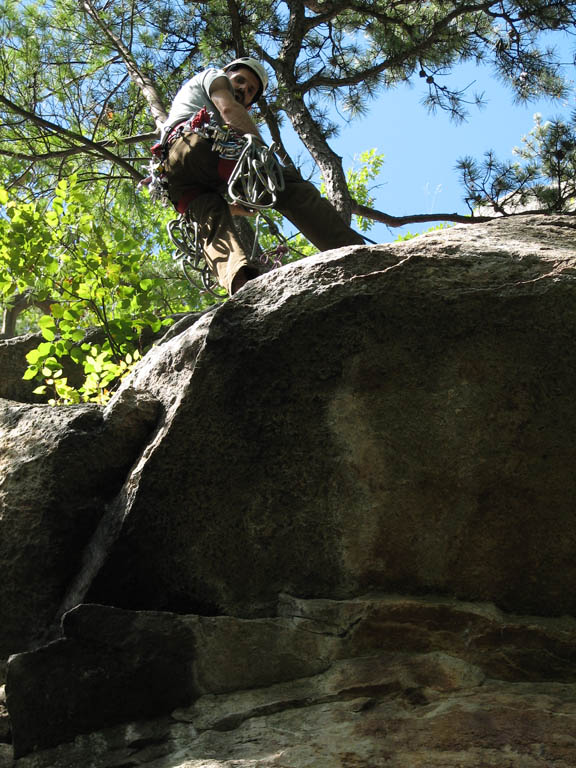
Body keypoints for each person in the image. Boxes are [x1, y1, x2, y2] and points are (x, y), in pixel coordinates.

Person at [160, 57, 365, 295]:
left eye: (250, 91)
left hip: (177, 181)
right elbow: (228, 109)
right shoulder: (213, 76)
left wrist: (235, 207)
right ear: (226, 75)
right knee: (287, 186)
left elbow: (199, 172)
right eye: (240, 81)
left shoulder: (189, 102)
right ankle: (354, 251)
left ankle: (240, 288)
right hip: (197, 145)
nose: (242, 90)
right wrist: (265, 162)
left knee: (213, 223)